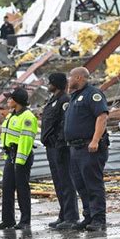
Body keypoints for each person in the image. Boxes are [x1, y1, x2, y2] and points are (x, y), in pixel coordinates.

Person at [64, 67, 109, 232]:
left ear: (78, 77)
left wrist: (95, 140)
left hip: (89, 147)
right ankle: (88, 216)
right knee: (81, 185)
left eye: (71, 77)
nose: (69, 80)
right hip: (75, 148)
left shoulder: (93, 94)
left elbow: (102, 117)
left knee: (93, 185)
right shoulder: (75, 97)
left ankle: (99, 220)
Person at [0, 87, 38, 230]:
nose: (8, 100)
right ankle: (8, 220)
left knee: (22, 189)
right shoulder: (11, 115)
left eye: (10, 98)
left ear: (17, 101)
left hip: (21, 157)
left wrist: (20, 161)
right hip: (11, 155)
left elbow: (26, 141)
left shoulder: (28, 117)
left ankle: (25, 221)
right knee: (7, 188)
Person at [41, 73, 79, 230]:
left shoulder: (64, 100)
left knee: (66, 182)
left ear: (56, 84)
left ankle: (71, 216)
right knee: (58, 182)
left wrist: (59, 142)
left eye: (50, 82)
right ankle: (63, 214)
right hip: (51, 147)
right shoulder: (53, 100)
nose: (48, 84)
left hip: (60, 148)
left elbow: (65, 124)